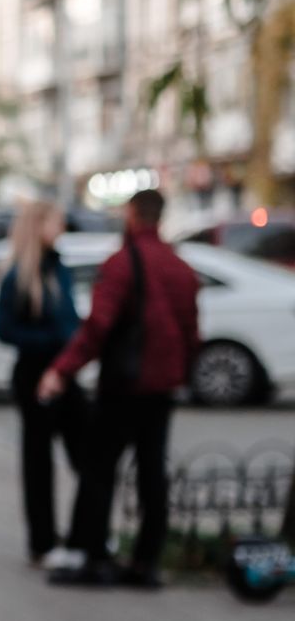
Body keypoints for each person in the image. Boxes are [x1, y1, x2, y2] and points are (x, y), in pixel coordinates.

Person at [38, 188, 201, 588]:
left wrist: (62, 369)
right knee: (151, 473)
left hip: (123, 386)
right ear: (159, 218)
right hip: (161, 389)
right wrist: (180, 375)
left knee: (98, 469)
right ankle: (146, 563)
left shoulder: (121, 264)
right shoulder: (180, 268)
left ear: (131, 215)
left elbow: (97, 328)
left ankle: (93, 558)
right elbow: (191, 333)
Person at [0, 199, 88, 568]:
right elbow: (4, 330)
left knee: (86, 452)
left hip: (64, 372)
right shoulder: (19, 274)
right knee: (38, 461)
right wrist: (50, 341)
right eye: (56, 222)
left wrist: (76, 340)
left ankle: (86, 535)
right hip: (34, 375)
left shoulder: (59, 268)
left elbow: (70, 317)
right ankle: (43, 542)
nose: (62, 229)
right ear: (39, 226)